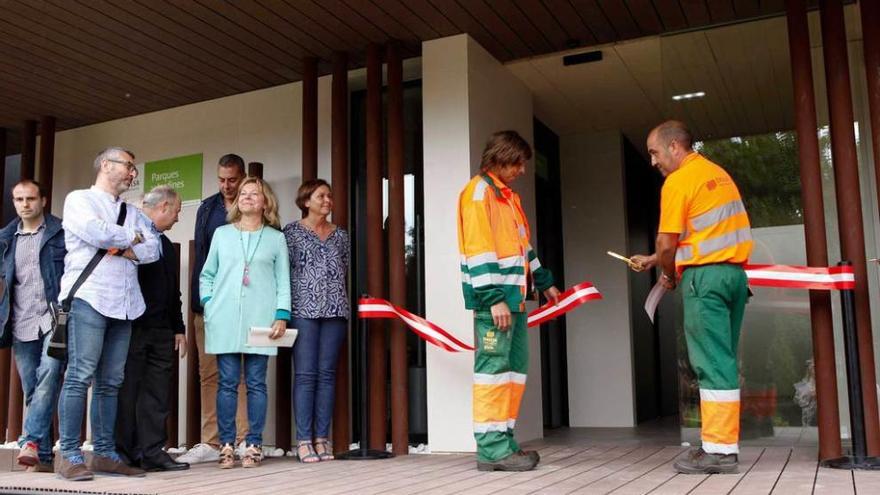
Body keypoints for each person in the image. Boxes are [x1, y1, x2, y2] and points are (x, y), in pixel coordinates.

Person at [631, 120, 752, 474]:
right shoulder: (717, 174)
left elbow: (667, 242)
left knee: (710, 363)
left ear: (673, 147)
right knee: (724, 361)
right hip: (733, 277)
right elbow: (706, 235)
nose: (652, 161)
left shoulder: (678, 181)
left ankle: (718, 451)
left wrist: (667, 274)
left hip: (705, 281)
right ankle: (723, 443)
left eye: (654, 152)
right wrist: (657, 260)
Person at [457, 130, 560, 472]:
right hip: (496, 304)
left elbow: (523, 248)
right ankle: (491, 449)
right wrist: (492, 299)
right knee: (493, 373)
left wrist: (545, 284)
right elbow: (478, 250)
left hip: (514, 302)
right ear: (500, 158)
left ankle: (504, 441)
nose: (522, 170)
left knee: (513, 373)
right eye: (518, 163)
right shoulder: (478, 194)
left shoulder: (508, 199)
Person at [56, 147, 160, 481]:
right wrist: (132, 238)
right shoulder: (79, 199)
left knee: (111, 381)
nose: (133, 174)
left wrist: (123, 244)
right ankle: (69, 454)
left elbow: (154, 249)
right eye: (129, 166)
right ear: (106, 165)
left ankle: (103, 453)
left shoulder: (131, 210)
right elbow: (95, 231)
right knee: (79, 375)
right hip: (90, 296)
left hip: (126, 302)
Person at [200, 177, 290, 469]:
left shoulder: (276, 238)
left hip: (262, 319)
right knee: (226, 382)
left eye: (255, 193)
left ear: (266, 202)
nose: (248, 197)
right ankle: (226, 445)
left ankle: (253, 444)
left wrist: (281, 314)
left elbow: (283, 282)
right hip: (223, 316)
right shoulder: (222, 234)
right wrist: (209, 303)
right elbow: (207, 275)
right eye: (244, 193)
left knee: (256, 384)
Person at [179, 154, 249, 464]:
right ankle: (210, 441)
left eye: (232, 179)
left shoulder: (253, 205)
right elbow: (203, 257)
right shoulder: (207, 208)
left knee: (243, 374)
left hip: (243, 303)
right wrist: (199, 300)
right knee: (209, 374)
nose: (226, 186)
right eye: (221, 179)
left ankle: (246, 439)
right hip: (207, 304)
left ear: (243, 176)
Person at [115, 186, 189, 472]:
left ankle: (152, 452)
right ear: (164, 207)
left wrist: (178, 327)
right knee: (127, 390)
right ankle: (124, 452)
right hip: (132, 325)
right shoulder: (129, 234)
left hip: (162, 330)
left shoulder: (166, 245)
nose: (178, 218)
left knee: (157, 393)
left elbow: (173, 292)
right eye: (177, 211)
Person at [0, 180, 65, 473]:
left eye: (30, 198)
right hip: (21, 320)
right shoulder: (5, 238)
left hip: (54, 317)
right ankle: (45, 457)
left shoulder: (60, 232)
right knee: (32, 388)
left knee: (49, 375)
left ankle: (29, 441)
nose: (25, 204)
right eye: (19, 199)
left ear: (43, 200)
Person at [283, 179, 350, 463]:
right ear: (306, 201)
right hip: (303, 311)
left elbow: (344, 268)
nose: (327, 200)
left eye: (330, 196)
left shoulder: (341, 235)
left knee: (327, 375)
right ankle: (303, 440)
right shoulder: (291, 233)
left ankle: (322, 438)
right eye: (321, 195)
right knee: (306, 375)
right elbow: (283, 273)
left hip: (335, 310)